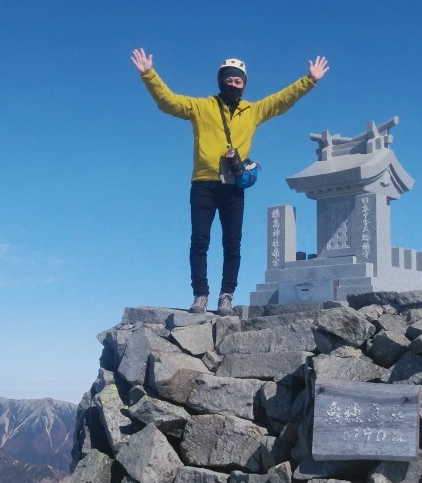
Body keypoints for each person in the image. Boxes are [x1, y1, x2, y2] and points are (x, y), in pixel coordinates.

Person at [132, 47, 329, 315]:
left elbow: (283, 100)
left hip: (234, 187)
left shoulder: (254, 111)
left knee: (232, 243)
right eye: (228, 79)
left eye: (238, 81)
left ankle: (227, 295)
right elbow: (169, 102)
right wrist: (149, 75)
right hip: (203, 183)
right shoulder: (201, 107)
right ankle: (200, 295)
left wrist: (309, 80)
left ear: (244, 85)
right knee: (200, 241)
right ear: (220, 81)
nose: (232, 84)